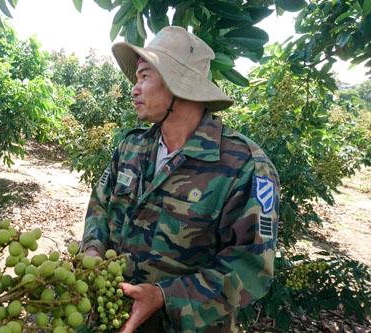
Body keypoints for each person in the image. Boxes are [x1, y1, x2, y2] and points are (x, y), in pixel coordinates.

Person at [81, 26, 279, 332]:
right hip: (112, 316)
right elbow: (100, 205)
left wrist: (164, 298)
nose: (134, 88)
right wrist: (92, 249)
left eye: (144, 76)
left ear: (178, 84)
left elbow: (249, 267)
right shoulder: (132, 146)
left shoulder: (244, 166)